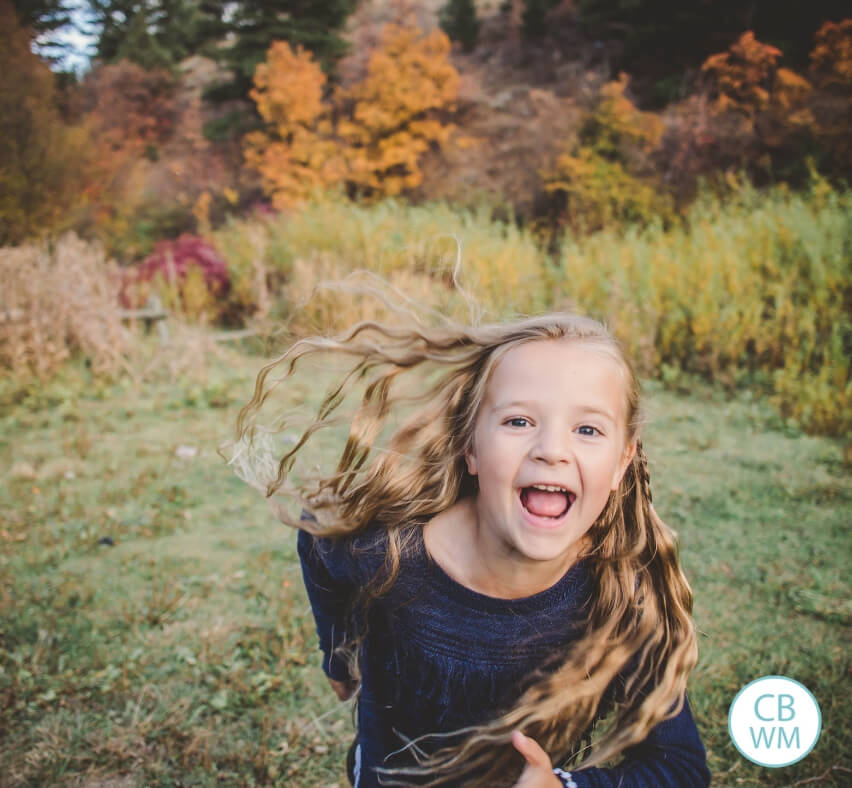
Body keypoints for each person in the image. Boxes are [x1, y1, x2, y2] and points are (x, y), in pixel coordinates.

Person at [233, 311, 711, 787]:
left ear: (621, 463)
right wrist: (337, 653)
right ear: (472, 447)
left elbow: (681, 768)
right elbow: (319, 536)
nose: (552, 450)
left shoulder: (622, 597)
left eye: (587, 430)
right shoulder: (392, 553)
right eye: (519, 420)